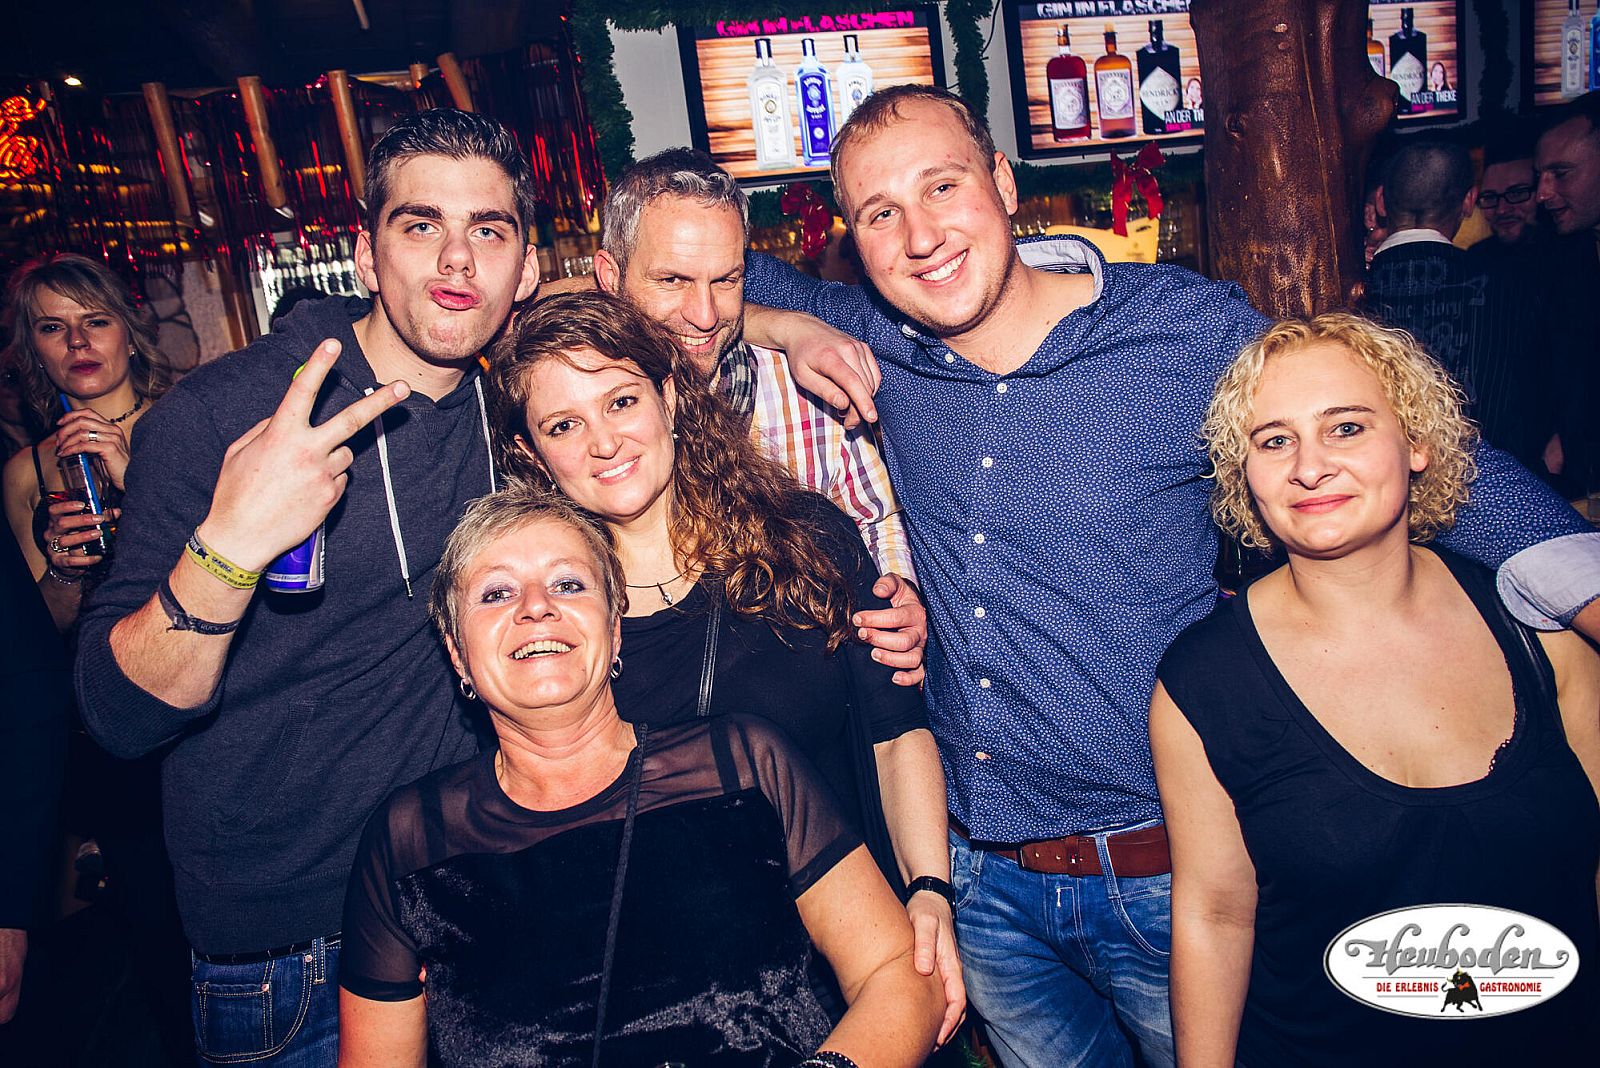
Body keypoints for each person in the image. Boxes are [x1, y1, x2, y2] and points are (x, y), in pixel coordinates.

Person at [737, 83, 1600, 1067]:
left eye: (942, 187)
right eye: (879, 213)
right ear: (852, 240)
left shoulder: (1179, 329)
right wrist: (785, 325)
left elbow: (1380, 435)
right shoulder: (869, 335)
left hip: (1169, 877)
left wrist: (1583, 585)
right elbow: (691, 277)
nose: (919, 235)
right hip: (981, 887)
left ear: (1004, 184)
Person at [74, 108, 541, 1065]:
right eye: (420, 225)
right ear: (366, 256)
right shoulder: (221, 415)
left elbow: (683, 305)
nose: (457, 260)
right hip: (296, 947)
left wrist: (792, 323)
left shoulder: (520, 406)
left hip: (480, 894)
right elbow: (116, 716)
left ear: (526, 269)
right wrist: (230, 545)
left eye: (488, 231)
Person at [488, 290, 964, 1043]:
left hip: (864, 973)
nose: (604, 443)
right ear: (530, 453)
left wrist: (929, 889)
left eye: (621, 401)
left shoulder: (805, 542)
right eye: (564, 425)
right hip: (687, 1014)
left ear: (670, 396)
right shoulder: (556, 630)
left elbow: (897, 733)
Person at [337, 486, 944, 1067]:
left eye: (568, 584)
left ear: (614, 627)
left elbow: (900, 976)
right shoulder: (412, 838)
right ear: (456, 651)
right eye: (496, 594)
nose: (536, 607)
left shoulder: (741, 763)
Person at [1153, 313, 1600, 1065]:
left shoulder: (1538, 631)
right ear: (1244, 475)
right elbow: (1218, 914)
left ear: (1416, 442)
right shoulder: (1204, 682)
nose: (1309, 467)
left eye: (1347, 428)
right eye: (1274, 441)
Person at [555, 147, 927, 687]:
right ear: (610, 276)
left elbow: (877, 518)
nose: (705, 316)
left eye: (725, 280)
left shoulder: (807, 388)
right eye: (672, 281)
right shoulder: (573, 418)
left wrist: (900, 594)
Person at [1365, 138, 1560, 478]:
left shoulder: (1342, 291)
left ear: (1381, 200)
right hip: (1496, 492)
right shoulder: (1518, 289)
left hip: (1375, 490)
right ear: (1469, 201)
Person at [2, 254, 177, 631]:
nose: (77, 341)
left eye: (96, 321)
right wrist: (65, 572)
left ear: (130, 337)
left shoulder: (190, 425)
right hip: (91, 664)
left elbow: (233, 561)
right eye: (52, 327)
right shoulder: (26, 471)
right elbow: (41, 632)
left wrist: (133, 482)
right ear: (34, 351)